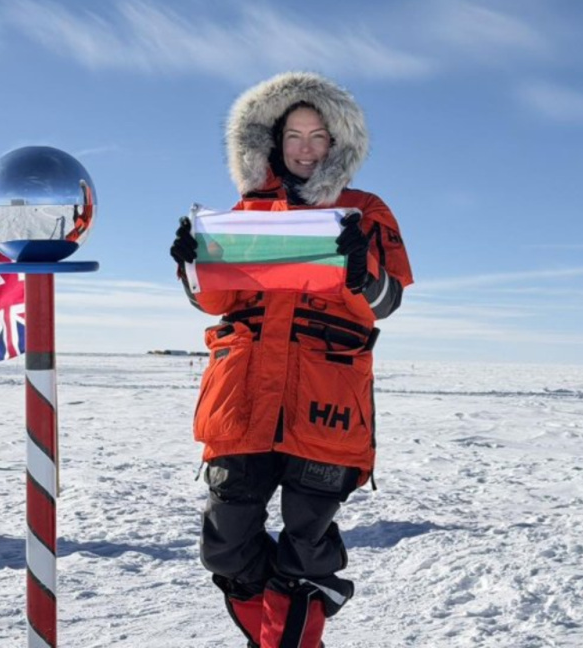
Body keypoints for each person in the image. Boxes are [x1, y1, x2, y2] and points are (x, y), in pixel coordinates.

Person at [170, 72, 413, 648]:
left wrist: (362, 268)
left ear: (338, 144)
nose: (305, 148)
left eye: (318, 136)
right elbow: (218, 300)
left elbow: (388, 300)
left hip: (325, 404)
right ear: (272, 143)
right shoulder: (245, 212)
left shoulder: (365, 210)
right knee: (227, 549)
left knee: (306, 557)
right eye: (293, 136)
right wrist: (191, 264)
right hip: (243, 399)